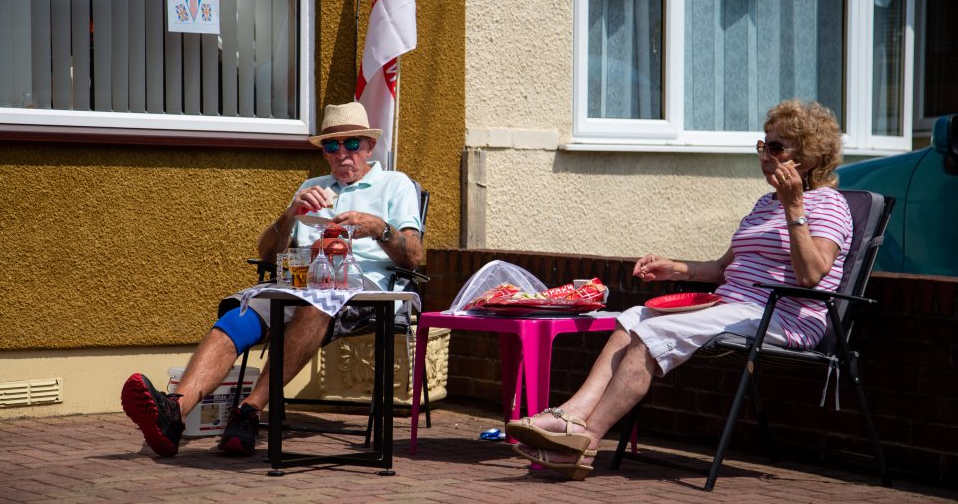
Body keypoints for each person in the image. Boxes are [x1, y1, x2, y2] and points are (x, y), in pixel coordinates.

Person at [505, 99, 853, 480]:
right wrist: (673, 268)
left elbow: (811, 276)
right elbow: (723, 268)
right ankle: (571, 415)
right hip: (734, 307)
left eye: (776, 148)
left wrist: (794, 209)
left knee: (654, 332)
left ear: (808, 158)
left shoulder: (828, 204)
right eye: (762, 145)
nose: (764, 155)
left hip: (782, 318)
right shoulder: (762, 205)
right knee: (633, 317)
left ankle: (587, 441)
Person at [121, 102, 424, 457]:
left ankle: (248, 412)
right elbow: (269, 254)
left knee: (314, 306)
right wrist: (291, 214)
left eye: (352, 144)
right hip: (301, 280)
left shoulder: (394, 183)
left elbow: (415, 255)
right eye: (331, 146)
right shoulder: (311, 188)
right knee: (240, 313)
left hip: (362, 289)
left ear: (369, 147)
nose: (342, 154)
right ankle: (174, 414)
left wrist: (379, 228)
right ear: (324, 153)